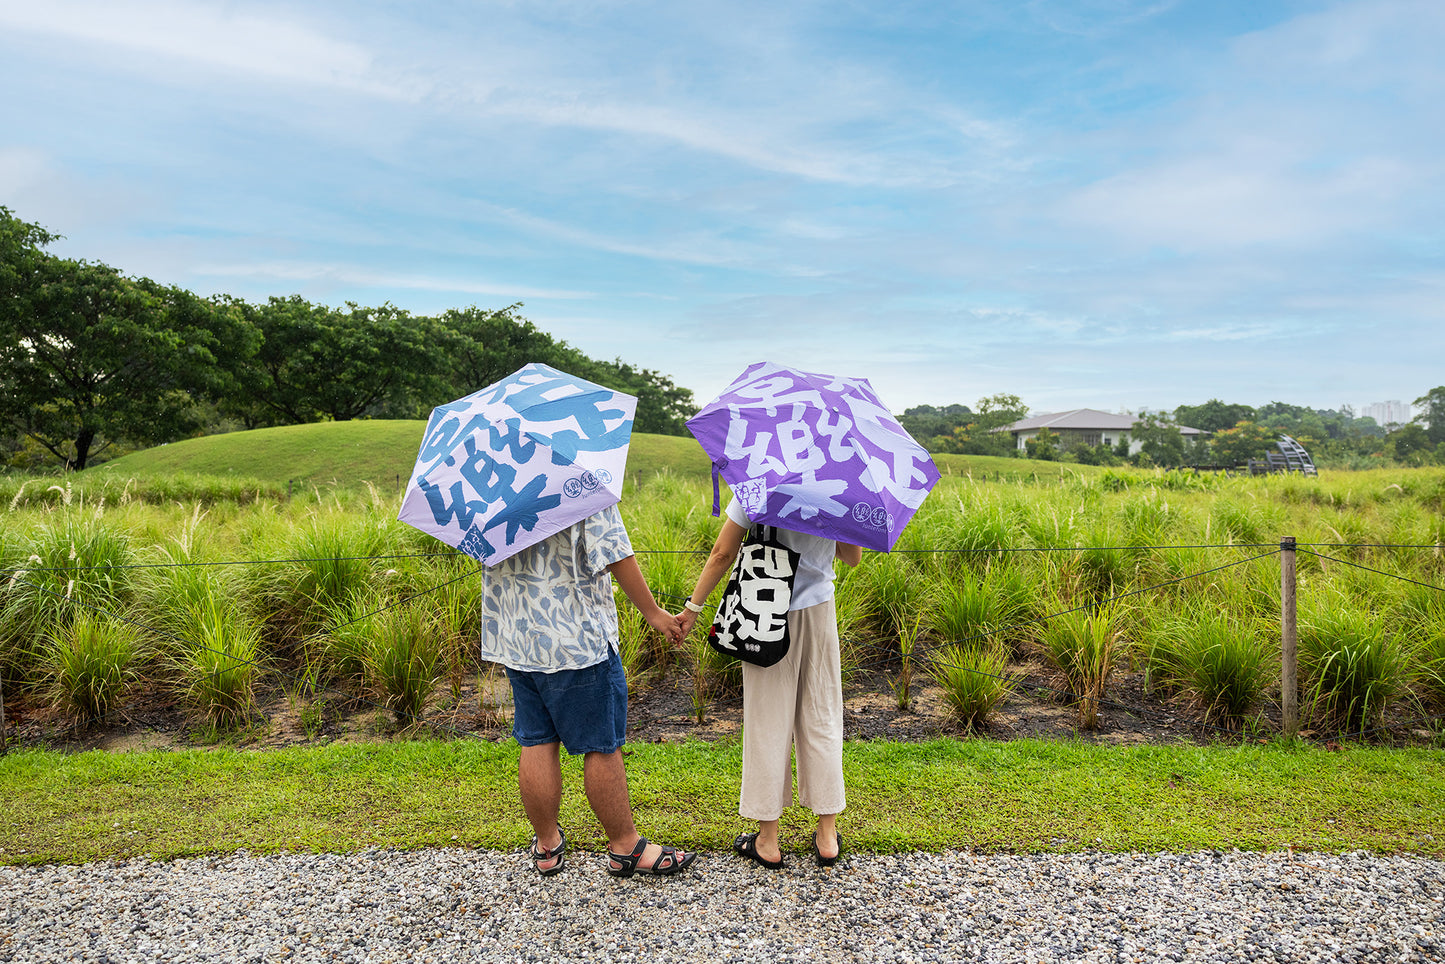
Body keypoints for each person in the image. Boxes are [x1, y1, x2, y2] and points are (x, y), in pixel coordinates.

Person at [480, 502, 697, 879]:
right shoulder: (580, 481)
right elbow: (615, 551)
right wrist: (654, 613)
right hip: (575, 639)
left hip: (517, 639)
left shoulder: (493, 489)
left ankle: (546, 845)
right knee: (600, 744)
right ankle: (626, 846)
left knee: (536, 741)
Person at [676, 498, 863, 869]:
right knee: (822, 718)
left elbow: (721, 553)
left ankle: (768, 840)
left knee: (767, 724)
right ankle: (827, 836)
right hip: (819, 611)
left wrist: (692, 609)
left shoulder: (758, 481)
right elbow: (852, 557)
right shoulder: (836, 487)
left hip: (764, 613)